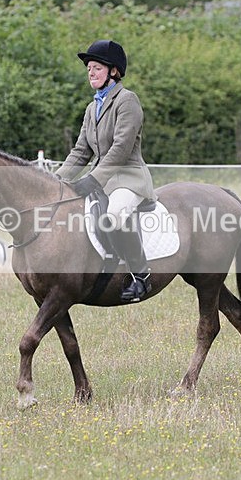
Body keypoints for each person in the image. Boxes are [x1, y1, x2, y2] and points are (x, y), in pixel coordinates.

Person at [56, 40, 155, 302]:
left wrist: (92, 180)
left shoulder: (127, 101)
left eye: (96, 67)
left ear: (113, 71)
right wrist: (56, 180)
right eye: (89, 68)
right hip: (101, 180)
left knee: (113, 215)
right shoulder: (92, 108)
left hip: (128, 179)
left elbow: (121, 149)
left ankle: (142, 277)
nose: (90, 73)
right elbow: (80, 152)